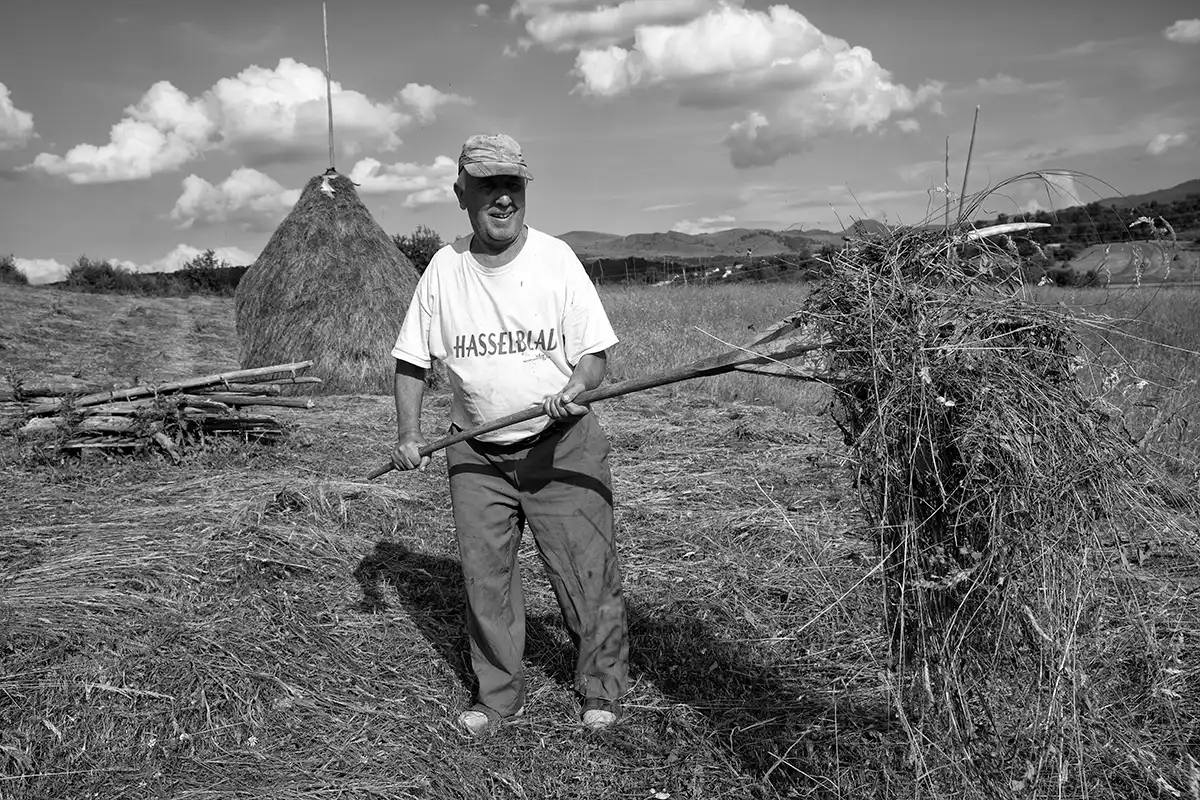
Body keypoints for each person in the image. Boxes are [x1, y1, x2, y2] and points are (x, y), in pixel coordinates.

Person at [389, 133, 629, 735]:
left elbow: (596, 356)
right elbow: (413, 361)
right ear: (461, 192)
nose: (503, 199)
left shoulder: (556, 260)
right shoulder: (444, 271)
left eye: (513, 186)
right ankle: (499, 696)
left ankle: (600, 687)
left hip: (560, 444)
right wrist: (409, 433)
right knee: (485, 581)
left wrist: (576, 388)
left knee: (585, 572)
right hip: (474, 453)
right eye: (489, 186)